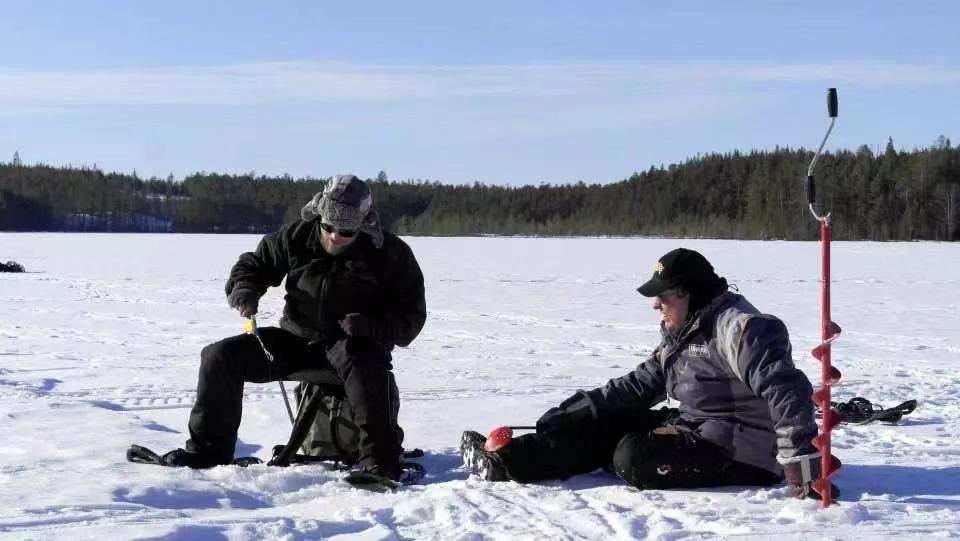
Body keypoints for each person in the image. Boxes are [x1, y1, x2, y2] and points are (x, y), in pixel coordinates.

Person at [461, 248, 832, 499]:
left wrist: (801, 462)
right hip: (697, 429)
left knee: (630, 455)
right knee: (607, 423)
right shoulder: (682, 329)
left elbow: (787, 390)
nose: (656, 304)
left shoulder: (742, 328)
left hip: (745, 452)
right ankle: (509, 460)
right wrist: (578, 409)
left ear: (690, 294)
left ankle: (523, 460)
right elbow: (641, 384)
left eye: (664, 295)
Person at [162, 174, 426, 481]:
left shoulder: (390, 253)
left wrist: (372, 327)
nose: (335, 236)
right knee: (218, 356)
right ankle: (207, 453)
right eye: (328, 227)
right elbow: (254, 264)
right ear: (319, 217)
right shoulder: (299, 235)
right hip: (295, 341)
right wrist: (245, 289)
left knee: (366, 362)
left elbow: (412, 317)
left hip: (354, 345)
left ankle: (379, 463)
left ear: (364, 224)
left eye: (346, 231)